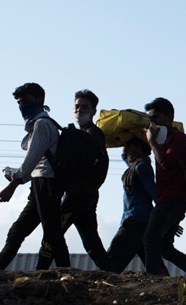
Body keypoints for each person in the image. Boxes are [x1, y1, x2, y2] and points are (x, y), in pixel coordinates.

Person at [37, 89, 113, 271]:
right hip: (86, 195)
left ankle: (40, 271)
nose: (79, 111)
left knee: (52, 235)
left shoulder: (93, 134)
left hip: (78, 196)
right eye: (77, 107)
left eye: (85, 107)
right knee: (91, 241)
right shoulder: (80, 134)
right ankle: (111, 274)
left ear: (94, 111)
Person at [0, 83, 70, 270]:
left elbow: (32, 161)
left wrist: (13, 185)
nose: (22, 106)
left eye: (25, 101)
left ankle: (67, 271)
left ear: (39, 100)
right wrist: (15, 174)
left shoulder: (42, 125)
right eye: (19, 102)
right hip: (40, 184)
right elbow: (35, 165)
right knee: (17, 232)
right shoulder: (40, 125)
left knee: (52, 232)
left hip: (47, 184)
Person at [143, 97, 186, 276]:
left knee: (150, 239)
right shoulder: (164, 140)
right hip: (168, 198)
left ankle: (155, 279)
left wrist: (152, 143)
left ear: (169, 117)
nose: (153, 124)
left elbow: (167, 163)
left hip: (174, 198)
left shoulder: (177, 138)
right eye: (151, 120)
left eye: (156, 118)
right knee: (164, 247)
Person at [107, 139, 156, 273]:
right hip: (140, 221)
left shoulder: (142, 168)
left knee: (111, 262)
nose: (127, 150)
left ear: (139, 149)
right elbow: (124, 156)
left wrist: (166, 219)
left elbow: (155, 194)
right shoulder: (134, 166)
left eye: (130, 147)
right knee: (154, 268)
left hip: (136, 221)